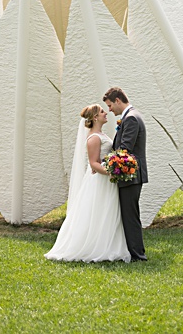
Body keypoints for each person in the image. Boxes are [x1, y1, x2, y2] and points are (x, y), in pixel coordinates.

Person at [45, 104, 130, 263]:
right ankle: (93, 247)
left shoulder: (101, 134)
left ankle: (108, 244)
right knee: (97, 212)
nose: (106, 113)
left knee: (107, 212)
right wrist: (113, 172)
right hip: (99, 181)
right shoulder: (93, 138)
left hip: (107, 180)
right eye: (102, 111)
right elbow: (93, 164)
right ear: (95, 117)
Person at [103, 86, 149, 261]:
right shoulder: (131, 116)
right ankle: (133, 252)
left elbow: (124, 150)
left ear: (117, 100)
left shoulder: (131, 119)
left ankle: (138, 255)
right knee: (129, 214)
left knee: (130, 216)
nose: (110, 110)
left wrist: (106, 163)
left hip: (130, 175)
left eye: (109, 105)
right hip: (129, 175)